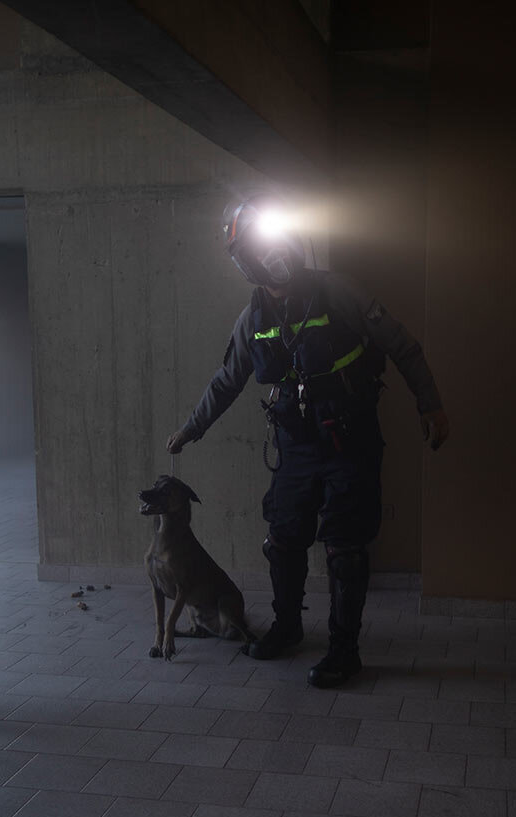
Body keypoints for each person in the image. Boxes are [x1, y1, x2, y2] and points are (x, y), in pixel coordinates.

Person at [166, 195, 450, 688]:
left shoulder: (338, 291)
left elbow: (403, 345)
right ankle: (288, 627)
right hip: (295, 444)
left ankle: (344, 650)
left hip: (350, 439)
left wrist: (430, 403)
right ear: (245, 261)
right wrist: (193, 427)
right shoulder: (251, 318)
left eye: (274, 239)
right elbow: (227, 380)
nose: (272, 254)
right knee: (283, 540)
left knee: (345, 547)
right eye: (257, 247)